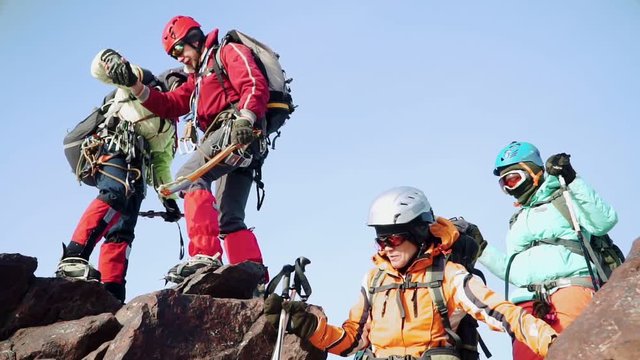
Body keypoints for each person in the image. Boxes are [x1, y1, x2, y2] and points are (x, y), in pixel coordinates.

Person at [264, 186, 558, 359]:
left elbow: (503, 314)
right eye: (380, 239)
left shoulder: (449, 276)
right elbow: (351, 341)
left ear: (418, 233)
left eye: (393, 238)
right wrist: (308, 325)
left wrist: (553, 344)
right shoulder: (374, 280)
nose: (385, 247)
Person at [101, 15, 270, 284]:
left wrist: (246, 118)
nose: (179, 57)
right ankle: (254, 281)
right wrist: (135, 84)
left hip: (236, 130)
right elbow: (170, 104)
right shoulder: (198, 79)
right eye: (173, 54)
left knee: (190, 178)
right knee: (230, 219)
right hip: (241, 144)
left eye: (180, 49)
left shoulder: (227, 52)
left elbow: (253, 83)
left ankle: (204, 254)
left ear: (195, 38)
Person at [55, 52, 186, 303]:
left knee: (122, 229)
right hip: (114, 149)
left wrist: (169, 199)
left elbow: (161, 164)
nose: (182, 93)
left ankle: (111, 290)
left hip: (137, 167)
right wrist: (111, 59)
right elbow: (102, 71)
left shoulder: (169, 127)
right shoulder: (142, 84)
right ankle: (74, 255)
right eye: (178, 84)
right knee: (114, 192)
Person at [478, 141, 618, 360]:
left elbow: (603, 222)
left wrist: (571, 179)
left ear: (532, 171)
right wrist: (481, 249)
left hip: (569, 289)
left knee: (571, 354)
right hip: (528, 302)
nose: (509, 187)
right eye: (504, 183)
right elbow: (516, 274)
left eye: (514, 178)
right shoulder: (518, 220)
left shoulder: (564, 196)